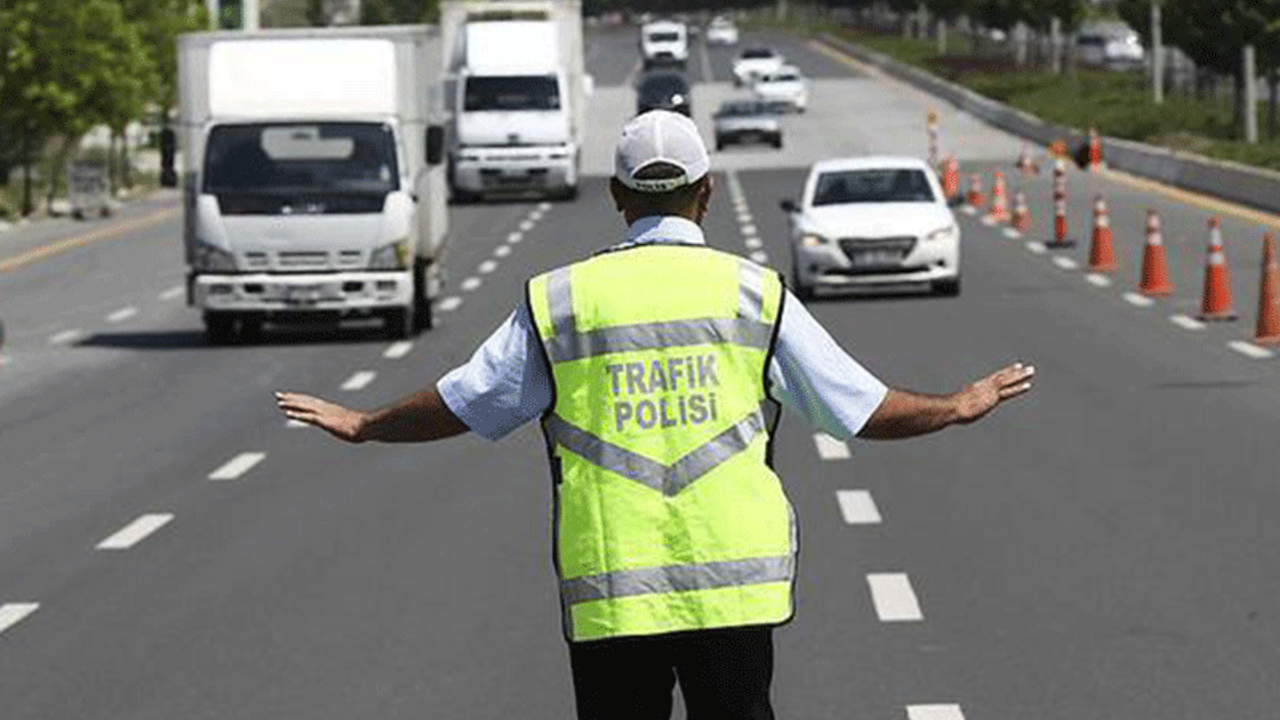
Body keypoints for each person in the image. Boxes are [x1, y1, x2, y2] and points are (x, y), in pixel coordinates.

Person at [275, 110, 1035, 720]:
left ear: (616, 196)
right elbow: (859, 408)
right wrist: (956, 406)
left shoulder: (562, 300)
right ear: (704, 193)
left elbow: (467, 401)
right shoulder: (752, 293)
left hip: (613, 589)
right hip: (732, 589)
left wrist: (366, 423)